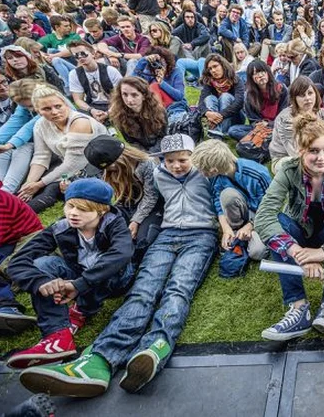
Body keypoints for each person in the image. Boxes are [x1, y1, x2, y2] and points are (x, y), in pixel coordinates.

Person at [18, 133, 218, 397]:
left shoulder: (208, 174)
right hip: (167, 234)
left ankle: (155, 346)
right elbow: (143, 194)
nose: (176, 165)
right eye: (171, 161)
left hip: (202, 235)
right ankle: (98, 360)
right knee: (143, 291)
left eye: (183, 159)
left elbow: (228, 194)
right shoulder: (160, 174)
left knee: (178, 289)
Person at [255, 115, 324, 341]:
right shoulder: (288, 170)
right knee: (279, 221)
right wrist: (295, 251)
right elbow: (264, 215)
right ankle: (299, 307)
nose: (321, 157)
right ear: (301, 151)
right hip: (300, 236)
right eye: (314, 151)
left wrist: (323, 252)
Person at [7, 178, 135, 369]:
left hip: (116, 281)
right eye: (70, 206)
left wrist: (78, 285)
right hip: (78, 274)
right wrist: (40, 282)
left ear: (102, 210)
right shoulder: (61, 227)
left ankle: (82, 311)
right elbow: (17, 262)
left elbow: (121, 254)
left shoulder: (114, 223)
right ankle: (57, 336)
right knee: (42, 265)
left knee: (108, 262)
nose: (73, 213)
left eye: (83, 209)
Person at [17, 85, 107, 212]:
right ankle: (10, 209)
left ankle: (18, 215)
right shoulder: (40, 125)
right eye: (46, 109)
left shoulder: (80, 122)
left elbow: (73, 164)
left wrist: (38, 184)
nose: (54, 112)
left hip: (95, 166)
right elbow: (41, 156)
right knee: (28, 189)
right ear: (38, 111)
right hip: (68, 167)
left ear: (65, 104)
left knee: (51, 189)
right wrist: (29, 184)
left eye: (58, 106)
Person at [83, 136, 162, 264]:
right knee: (106, 231)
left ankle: (130, 261)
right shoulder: (104, 172)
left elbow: (151, 196)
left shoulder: (146, 164)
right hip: (125, 204)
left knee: (143, 239)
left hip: (152, 206)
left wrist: (136, 220)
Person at [191, 139, 270, 261]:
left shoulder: (256, 174)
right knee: (227, 195)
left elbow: (269, 206)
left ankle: (246, 235)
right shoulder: (217, 178)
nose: (200, 173)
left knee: (257, 253)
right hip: (240, 211)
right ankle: (235, 231)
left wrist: (251, 225)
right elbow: (218, 202)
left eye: (202, 170)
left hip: (262, 214)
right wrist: (226, 228)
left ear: (214, 170)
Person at [269, 76, 324, 172]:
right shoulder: (285, 118)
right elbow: (294, 151)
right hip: (288, 156)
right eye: (302, 95)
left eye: (310, 93)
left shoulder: (322, 113)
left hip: (319, 152)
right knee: (295, 164)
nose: (307, 98)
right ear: (294, 98)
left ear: (315, 94)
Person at [0, 183, 43, 335]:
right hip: (7, 241)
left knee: (7, 269)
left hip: (25, 241)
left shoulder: (1, 201)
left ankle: (8, 308)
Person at [0, 78, 40, 194]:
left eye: (31, 106)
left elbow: (29, 127)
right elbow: (15, 121)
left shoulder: (50, 103)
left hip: (47, 146)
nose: (31, 109)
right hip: (32, 141)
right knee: (4, 150)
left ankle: (6, 192)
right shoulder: (24, 103)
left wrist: (10, 145)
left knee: (20, 147)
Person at [68, 40, 122, 123]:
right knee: (78, 116)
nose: (81, 58)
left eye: (83, 54)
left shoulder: (110, 71)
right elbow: (78, 100)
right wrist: (92, 110)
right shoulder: (74, 74)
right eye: (76, 55)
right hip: (93, 105)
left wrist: (108, 113)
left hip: (113, 103)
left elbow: (120, 97)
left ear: (93, 53)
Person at [108, 76, 167, 153]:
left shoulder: (159, 111)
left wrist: (153, 153)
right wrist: (144, 155)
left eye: (134, 95)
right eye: (125, 94)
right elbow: (131, 142)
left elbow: (163, 137)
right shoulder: (118, 115)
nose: (129, 100)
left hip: (161, 149)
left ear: (144, 96)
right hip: (141, 153)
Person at [198, 54, 245, 137]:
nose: (213, 70)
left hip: (235, 118)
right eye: (210, 69)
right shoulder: (209, 82)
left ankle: (218, 132)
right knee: (209, 98)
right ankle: (216, 132)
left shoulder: (235, 79)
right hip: (216, 117)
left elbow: (239, 102)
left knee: (225, 96)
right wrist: (207, 113)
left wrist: (220, 115)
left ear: (223, 65)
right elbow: (201, 102)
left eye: (215, 66)